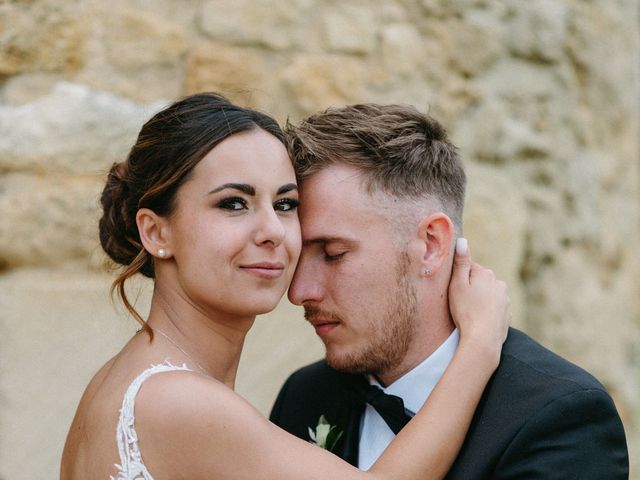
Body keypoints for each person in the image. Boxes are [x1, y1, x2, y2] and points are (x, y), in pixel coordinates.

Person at [60, 92, 511, 480]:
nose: (272, 230)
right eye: (234, 203)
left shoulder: (125, 379)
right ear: (157, 233)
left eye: (285, 203)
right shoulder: (175, 400)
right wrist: (479, 346)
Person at [270, 103, 629, 479]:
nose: (299, 292)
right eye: (297, 257)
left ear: (430, 244)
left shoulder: (558, 418)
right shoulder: (304, 395)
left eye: (333, 254)